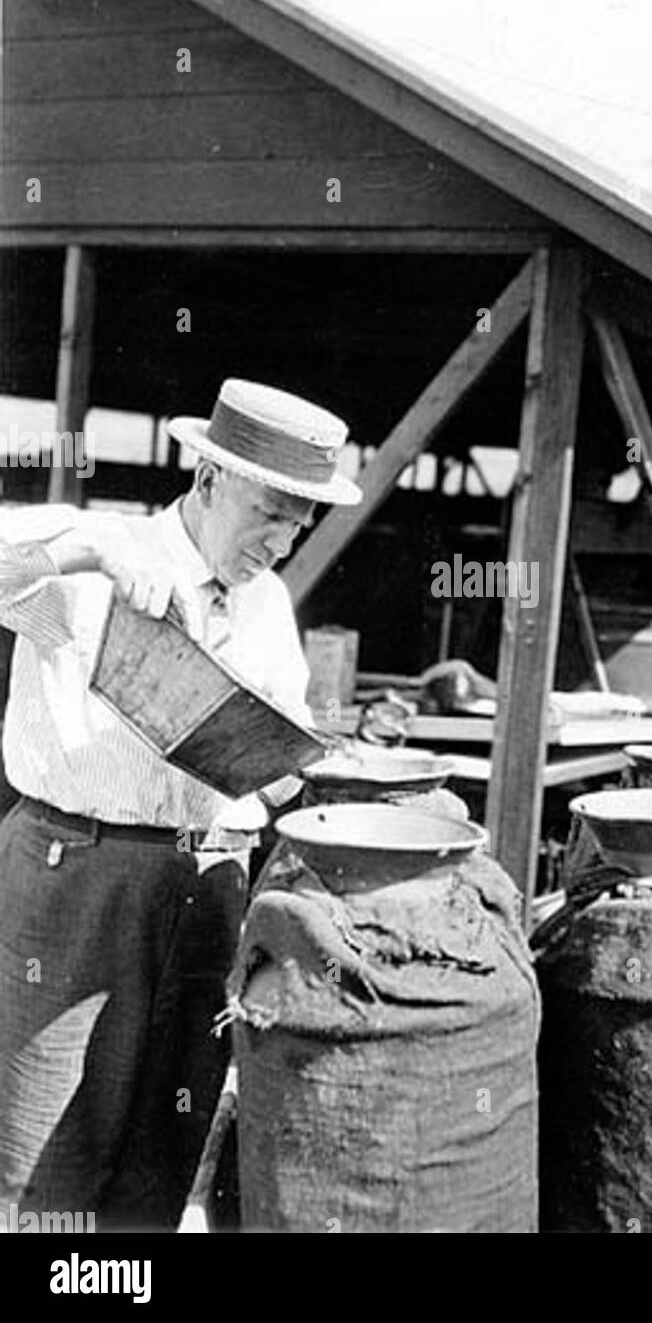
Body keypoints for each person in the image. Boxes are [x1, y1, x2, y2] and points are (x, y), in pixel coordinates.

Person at [0, 378, 361, 1230]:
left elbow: (275, 766)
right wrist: (86, 551)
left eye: (299, 522)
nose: (281, 540)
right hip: (80, 876)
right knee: (47, 1141)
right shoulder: (101, 558)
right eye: (270, 512)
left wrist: (306, 763)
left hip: (209, 886)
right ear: (208, 479)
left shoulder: (266, 602)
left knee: (167, 1137)